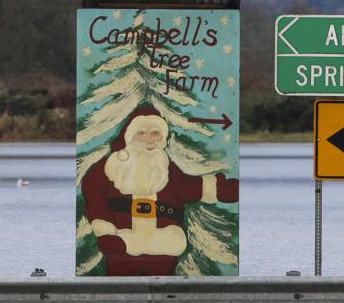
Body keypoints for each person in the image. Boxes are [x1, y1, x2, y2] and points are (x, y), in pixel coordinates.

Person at [81, 105, 238, 275]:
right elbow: (94, 197)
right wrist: (105, 232)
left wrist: (221, 189)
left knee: (163, 285)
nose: (149, 140)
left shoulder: (166, 169)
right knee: (121, 283)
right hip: (122, 245)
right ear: (129, 136)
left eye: (155, 133)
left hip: (163, 247)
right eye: (141, 133)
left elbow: (190, 187)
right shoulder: (110, 167)